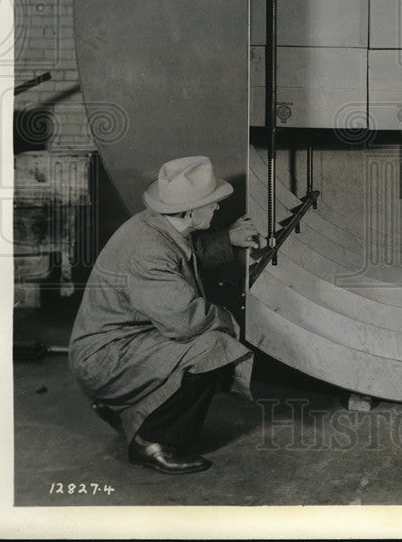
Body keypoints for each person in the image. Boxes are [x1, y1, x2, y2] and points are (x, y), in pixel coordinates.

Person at [69, 155, 262, 475]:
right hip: (104, 358)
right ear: (189, 212)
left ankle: (131, 411)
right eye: (212, 203)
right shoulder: (150, 251)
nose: (216, 208)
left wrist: (227, 237)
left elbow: (183, 254)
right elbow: (185, 321)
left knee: (208, 341)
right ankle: (152, 442)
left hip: (122, 341)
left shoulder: (156, 225)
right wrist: (228, 319)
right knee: (213, 346)